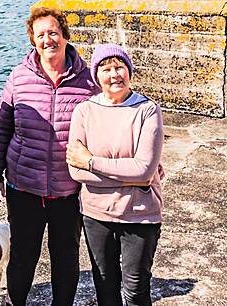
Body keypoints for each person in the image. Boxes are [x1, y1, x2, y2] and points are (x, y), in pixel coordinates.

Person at [0, 7, 100, 306]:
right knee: (23, 257)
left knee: (65, 259)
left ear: (65, 36)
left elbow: (106, 127)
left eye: (53, 32)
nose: (47, 39)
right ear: (32, 41)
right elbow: (1, 129)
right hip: (23, 186)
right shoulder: (19, 78)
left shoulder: (88, 81)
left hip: (68, 190)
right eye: (40, 35)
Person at [67, 44, 163, 306]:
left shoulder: (147, 110)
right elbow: (75, 170)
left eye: (119, 67)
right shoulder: (84, 111)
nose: (114, 75)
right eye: (106, 69)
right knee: (105, 288)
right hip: (96, 214)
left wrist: (91, 162)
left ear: (129, 71)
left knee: (135, 290)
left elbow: (144, 171)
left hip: (139, 214)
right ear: (97, 76)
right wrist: (127, 173)